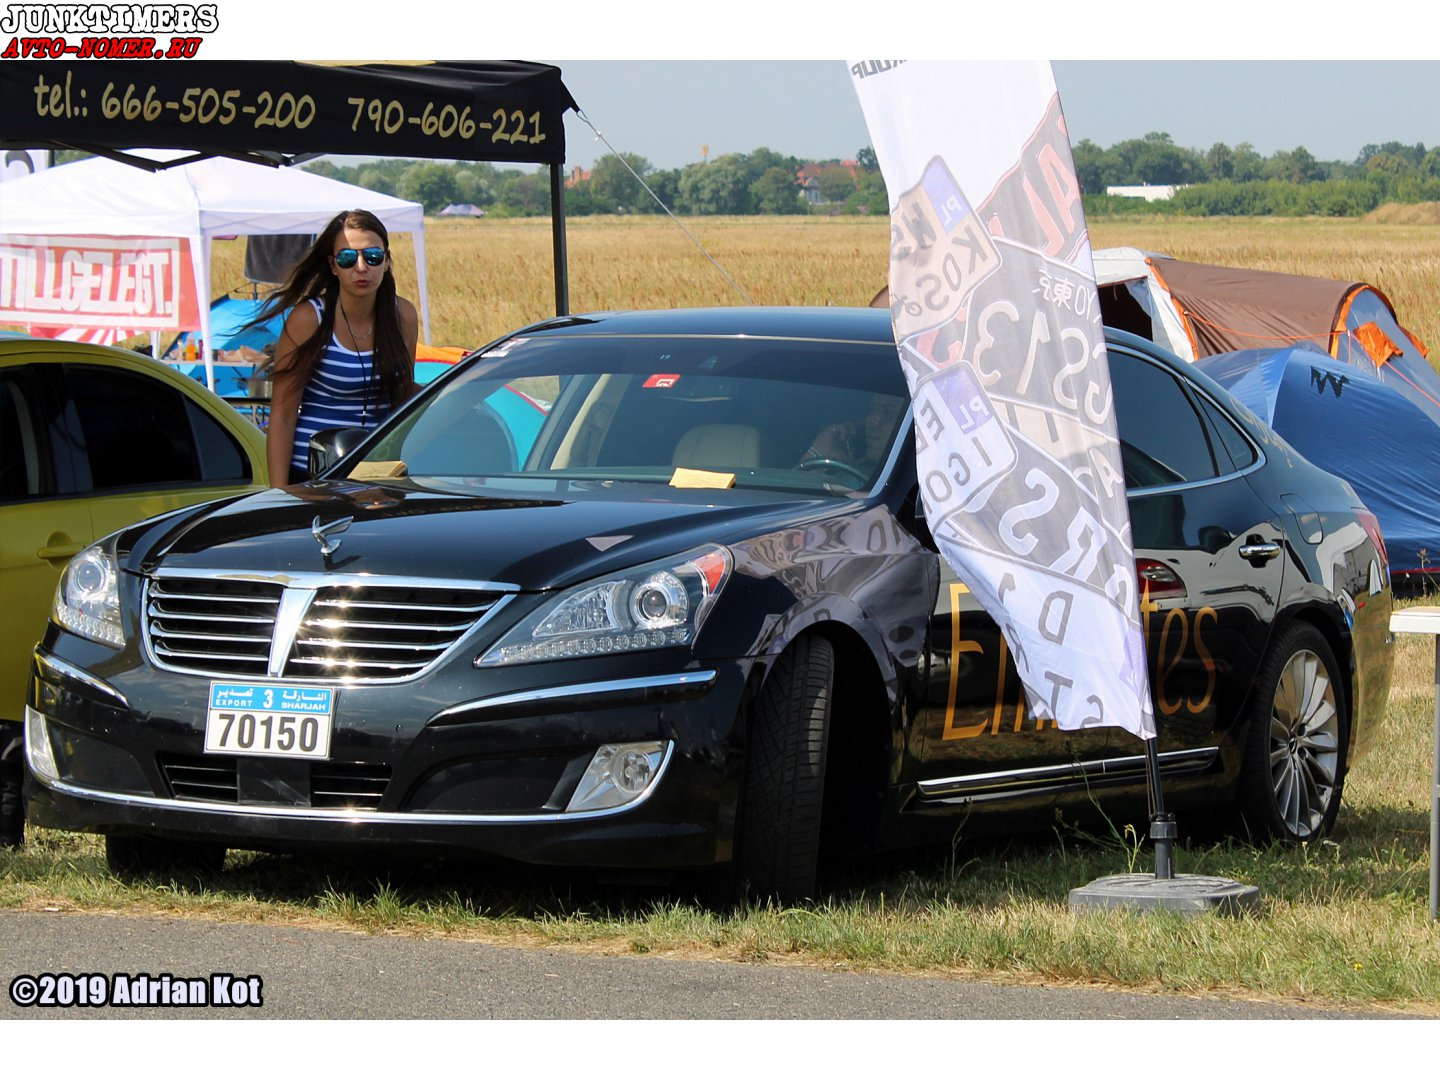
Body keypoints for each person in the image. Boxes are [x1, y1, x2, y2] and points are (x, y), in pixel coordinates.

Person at [254, 210, 420, 486]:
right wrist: (280, 494)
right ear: (333, 265)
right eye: (347, 258)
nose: (361, 267)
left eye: (373, 256)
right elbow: (282, 415)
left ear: (387, 262)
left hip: (378, 476)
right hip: (314, 473)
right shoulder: (309, 319)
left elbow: (401, 400)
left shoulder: (403, 315)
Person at [800, 392, 906, 477]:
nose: (872, 422)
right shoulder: (847, 481)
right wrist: (817, 454)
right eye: (873, 409)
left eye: (891, 412)